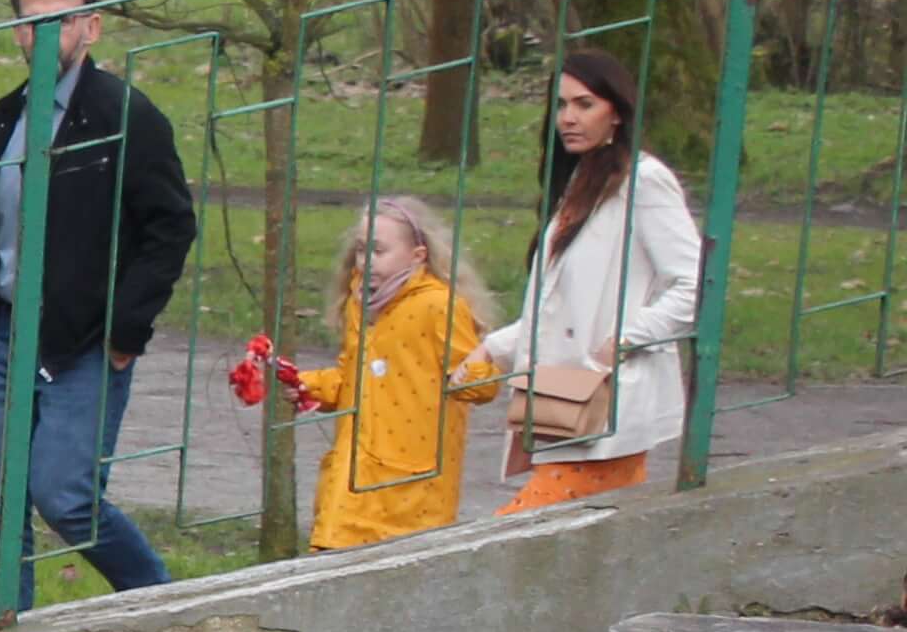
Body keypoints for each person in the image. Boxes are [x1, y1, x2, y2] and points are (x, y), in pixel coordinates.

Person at [0, 0, 195, 619]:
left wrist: (125, 331)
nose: (46, 32)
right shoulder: (11, 113)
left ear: (93, 25)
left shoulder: (124, 116)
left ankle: (163, 607)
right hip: (8, 331)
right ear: (17, 31)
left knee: (66, 497)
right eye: (32, 21)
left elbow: (171, 226)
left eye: (62, 18)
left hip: (85, 339)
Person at [479, 46, 706, 517]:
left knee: (518, 536)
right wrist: (490, 351)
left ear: (616, 112)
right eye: (561, 105)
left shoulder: (643, 181)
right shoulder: (582, 183)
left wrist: (623, 341)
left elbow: (692, 284)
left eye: (584, 104)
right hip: (565, 401)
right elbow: (561, 306)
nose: (568, 118)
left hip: (608, 400)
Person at [296, 197, 501, 552]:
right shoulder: (360, 303)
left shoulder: (438, 305)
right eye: (361, 250)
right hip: (353, 478)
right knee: (331, 565)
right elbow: (351, 380)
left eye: (378, 251)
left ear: (418, 255)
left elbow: (482, 388)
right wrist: (305, 386)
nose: (365, 261)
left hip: (412, 490)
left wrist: (479, 363)